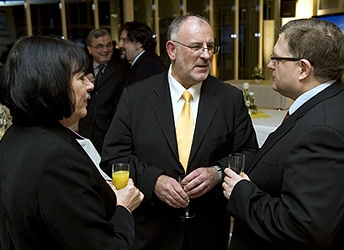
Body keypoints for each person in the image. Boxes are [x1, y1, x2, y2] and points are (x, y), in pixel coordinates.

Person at [101, 14, 258, 250]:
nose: (206, 55)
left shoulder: (229, 99)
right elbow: (114, 158)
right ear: (172, 50)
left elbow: (250, 153)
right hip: (151, 232)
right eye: (196, 47)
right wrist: (153, 181)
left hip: (208, 232)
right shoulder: (136, 97)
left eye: (210, 47)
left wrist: (216, 172)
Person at [223, 18, 344, 250]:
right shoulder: (337, 100)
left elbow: (301, 228)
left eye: (276, 58)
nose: (269, 65)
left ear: (303, 69)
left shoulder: (323, 132)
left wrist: (241, 192)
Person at [0, 35, 144, 250]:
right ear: (53, 85)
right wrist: (123, 206)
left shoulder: (15, 136)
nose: (89, 86)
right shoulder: (55, 158)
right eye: (80, 77)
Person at [78, 28, 131, 154]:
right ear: (90, 49)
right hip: (86, 132)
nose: (105, 50)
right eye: (100, 46)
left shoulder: (122, 68)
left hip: (110, 133)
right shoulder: (82, 68)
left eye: (108, 45)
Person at [118, 21, 166, 88]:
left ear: (139, 43)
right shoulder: (145, 62)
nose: (120, 45)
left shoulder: (148, 67)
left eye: (124, 40)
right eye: (120, 41)